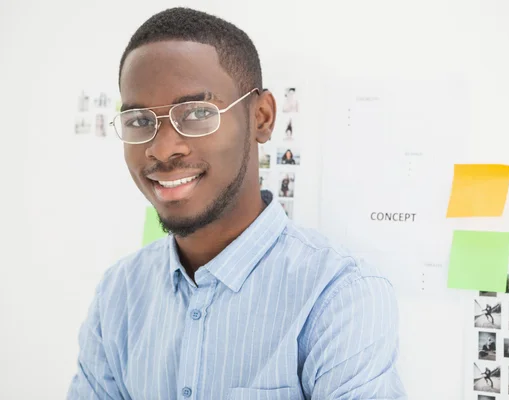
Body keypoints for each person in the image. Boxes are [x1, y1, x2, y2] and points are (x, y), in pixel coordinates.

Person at [66, 7, 406, 400]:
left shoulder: (339, 295)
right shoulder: (119, 294)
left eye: (196, 113)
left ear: (261, 117)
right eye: (140, 121)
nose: (161, 150)